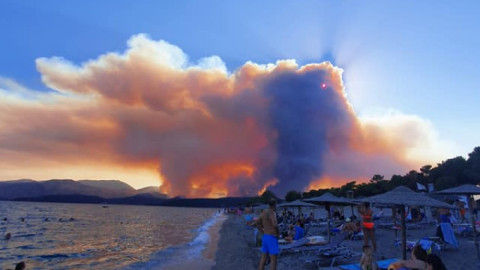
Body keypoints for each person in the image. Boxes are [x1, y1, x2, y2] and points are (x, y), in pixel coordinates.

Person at [256, 199, 279, 270]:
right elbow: (275, 225)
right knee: (273, 261)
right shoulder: (272, 213)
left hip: (265, 236)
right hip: (272, 237)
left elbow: (257, 222)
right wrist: (278, 233)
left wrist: (261, 231)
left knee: (263, 259)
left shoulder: (264, 212)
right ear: (275, 205)